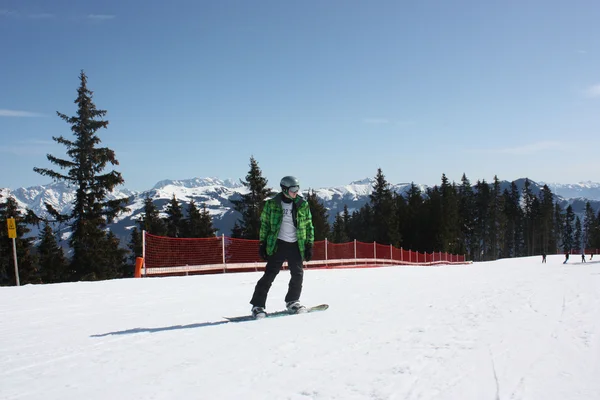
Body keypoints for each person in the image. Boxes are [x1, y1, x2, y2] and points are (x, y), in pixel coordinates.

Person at [249, 176, 315, 319]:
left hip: (296, 245)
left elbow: (309, 225)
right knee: (269, 275)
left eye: (297, 189)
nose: (296, 192)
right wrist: (262, 243)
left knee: (298, 275)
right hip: (278, 244)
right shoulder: (272, 204)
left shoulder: (302, 204)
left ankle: (293, 302)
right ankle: (257, 306)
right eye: (293, 189)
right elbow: (265, 225)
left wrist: (309, 244)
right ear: (284, 189)